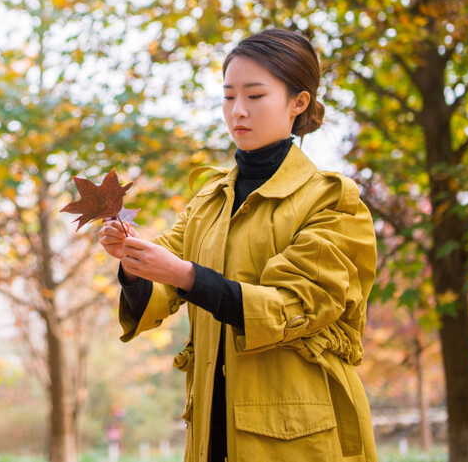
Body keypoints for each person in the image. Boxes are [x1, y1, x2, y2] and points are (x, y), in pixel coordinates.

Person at [98, 28, 378, 462]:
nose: (237, 112)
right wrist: (133, 261)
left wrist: (184, 274)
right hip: (213, 432)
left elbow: (293, 305)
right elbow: (165, 282)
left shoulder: (331, 200)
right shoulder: (208, 199)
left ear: (298, 102)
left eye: (255, 96)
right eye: (228, 97)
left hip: (300, 440)